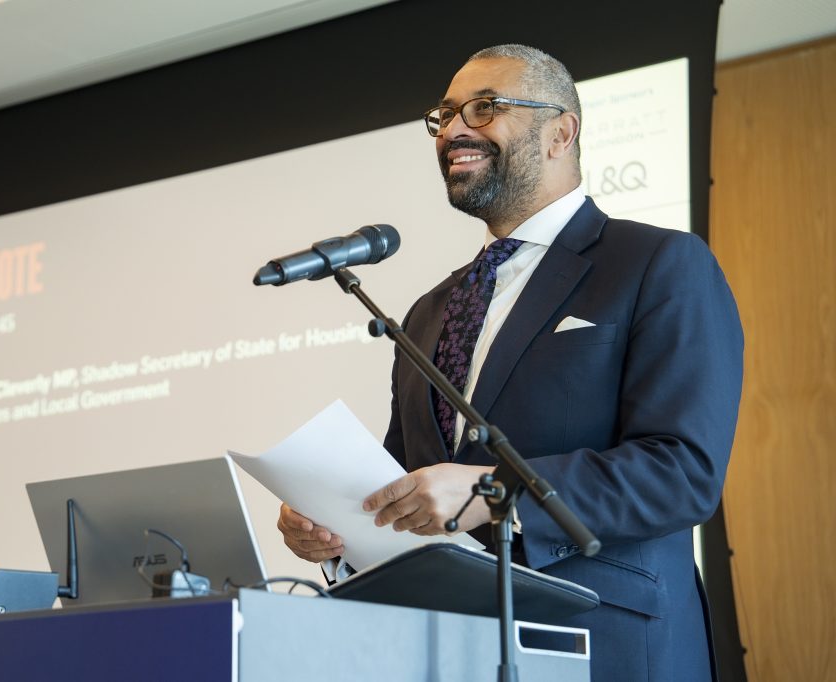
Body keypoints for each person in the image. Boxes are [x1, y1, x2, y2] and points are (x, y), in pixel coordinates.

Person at [277, 44, 742, 681]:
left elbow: (682, 472)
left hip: (606, 645)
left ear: (561, 132)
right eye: (444, 117)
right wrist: (338, 531)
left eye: (485, 108)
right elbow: (409, 489)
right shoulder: (428, 311)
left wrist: (491, 495)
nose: (455, 131)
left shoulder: (657, 264)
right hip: (450, 652)